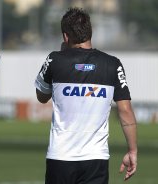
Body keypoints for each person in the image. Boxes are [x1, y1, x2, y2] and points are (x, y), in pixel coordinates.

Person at [34, 7, 137, 184]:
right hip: (96, 159)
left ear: (65, 36)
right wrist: (132, 150)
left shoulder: (54, 59)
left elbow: (41, 96)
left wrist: (61, 56)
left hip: (60, 157)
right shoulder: (113, 64)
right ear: (90, 32)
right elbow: (125, 110)